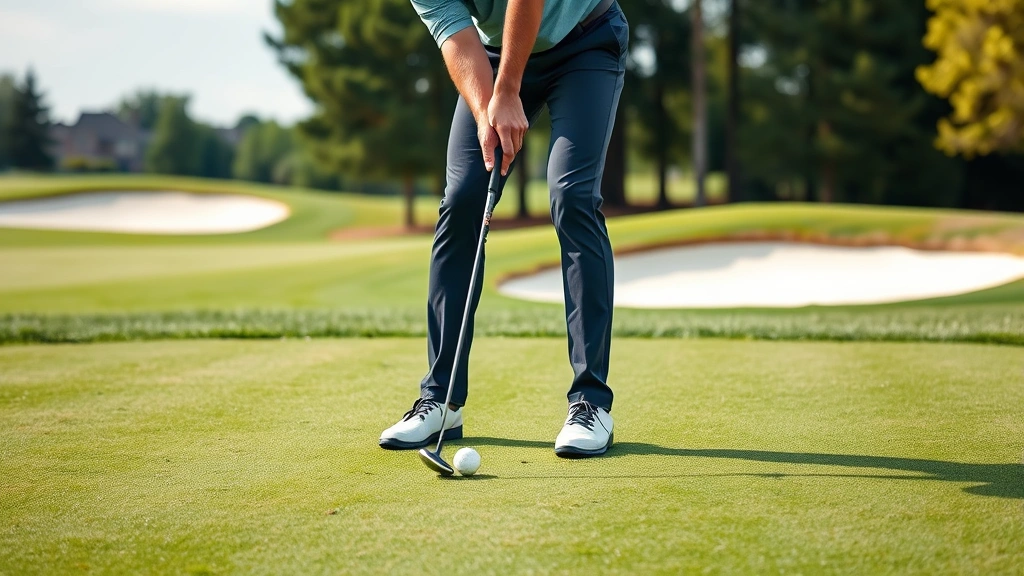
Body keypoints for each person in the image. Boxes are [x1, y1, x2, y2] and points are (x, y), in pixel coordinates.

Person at [379, 0, 627, 457]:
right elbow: (457, 36)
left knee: (571, 196)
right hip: (494, 54)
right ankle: (441, 399)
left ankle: (591, 403)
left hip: (585, 41)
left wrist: (509, 88)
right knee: (462, 201)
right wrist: (485, 112)